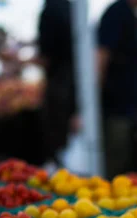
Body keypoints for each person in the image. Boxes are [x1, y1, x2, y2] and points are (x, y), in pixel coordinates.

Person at [97, 0, 137, 178]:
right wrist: (87, 106)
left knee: (123, 161)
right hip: (115, 107)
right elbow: (101, 58)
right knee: (115, 164)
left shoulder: (131, 13)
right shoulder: (117, 12)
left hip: (126, 107)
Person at [37, 0, 77, 167]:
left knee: (57, 139)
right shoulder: (69, 6)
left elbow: (46, 56)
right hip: (72, 83)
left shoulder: (50, 10)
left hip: (59, 85)